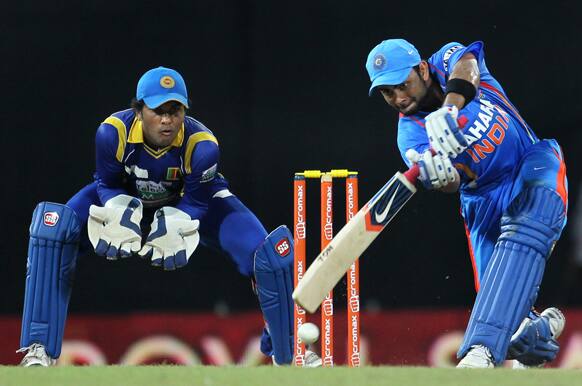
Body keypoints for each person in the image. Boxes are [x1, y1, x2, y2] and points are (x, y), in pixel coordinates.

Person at [17, 66, 321, 367]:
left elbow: (199, 201)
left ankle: (290, 351)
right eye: (158, 110)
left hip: (189, 201)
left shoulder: (202, 145)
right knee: (52, 231)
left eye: (175, 111)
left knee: (270, 254)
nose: (166, 120)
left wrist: (176, 223)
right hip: (125, 195)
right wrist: (117, 210)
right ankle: (38, 349)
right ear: (138, 110)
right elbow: (107, 183)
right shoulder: (112, 132)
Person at [365, 39, 567, 368]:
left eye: (403, 84)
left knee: (531, 219)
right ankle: (540, 327)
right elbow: (450, 181)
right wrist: (444, 180)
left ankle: (480, 352)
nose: (399, 98)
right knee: (515, 331)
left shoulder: (447, 61)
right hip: (482, 201)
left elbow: (468, 66)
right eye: (388, 93)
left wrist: (450, 107)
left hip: (530, 162)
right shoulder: (410, 137)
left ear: (422, 69)